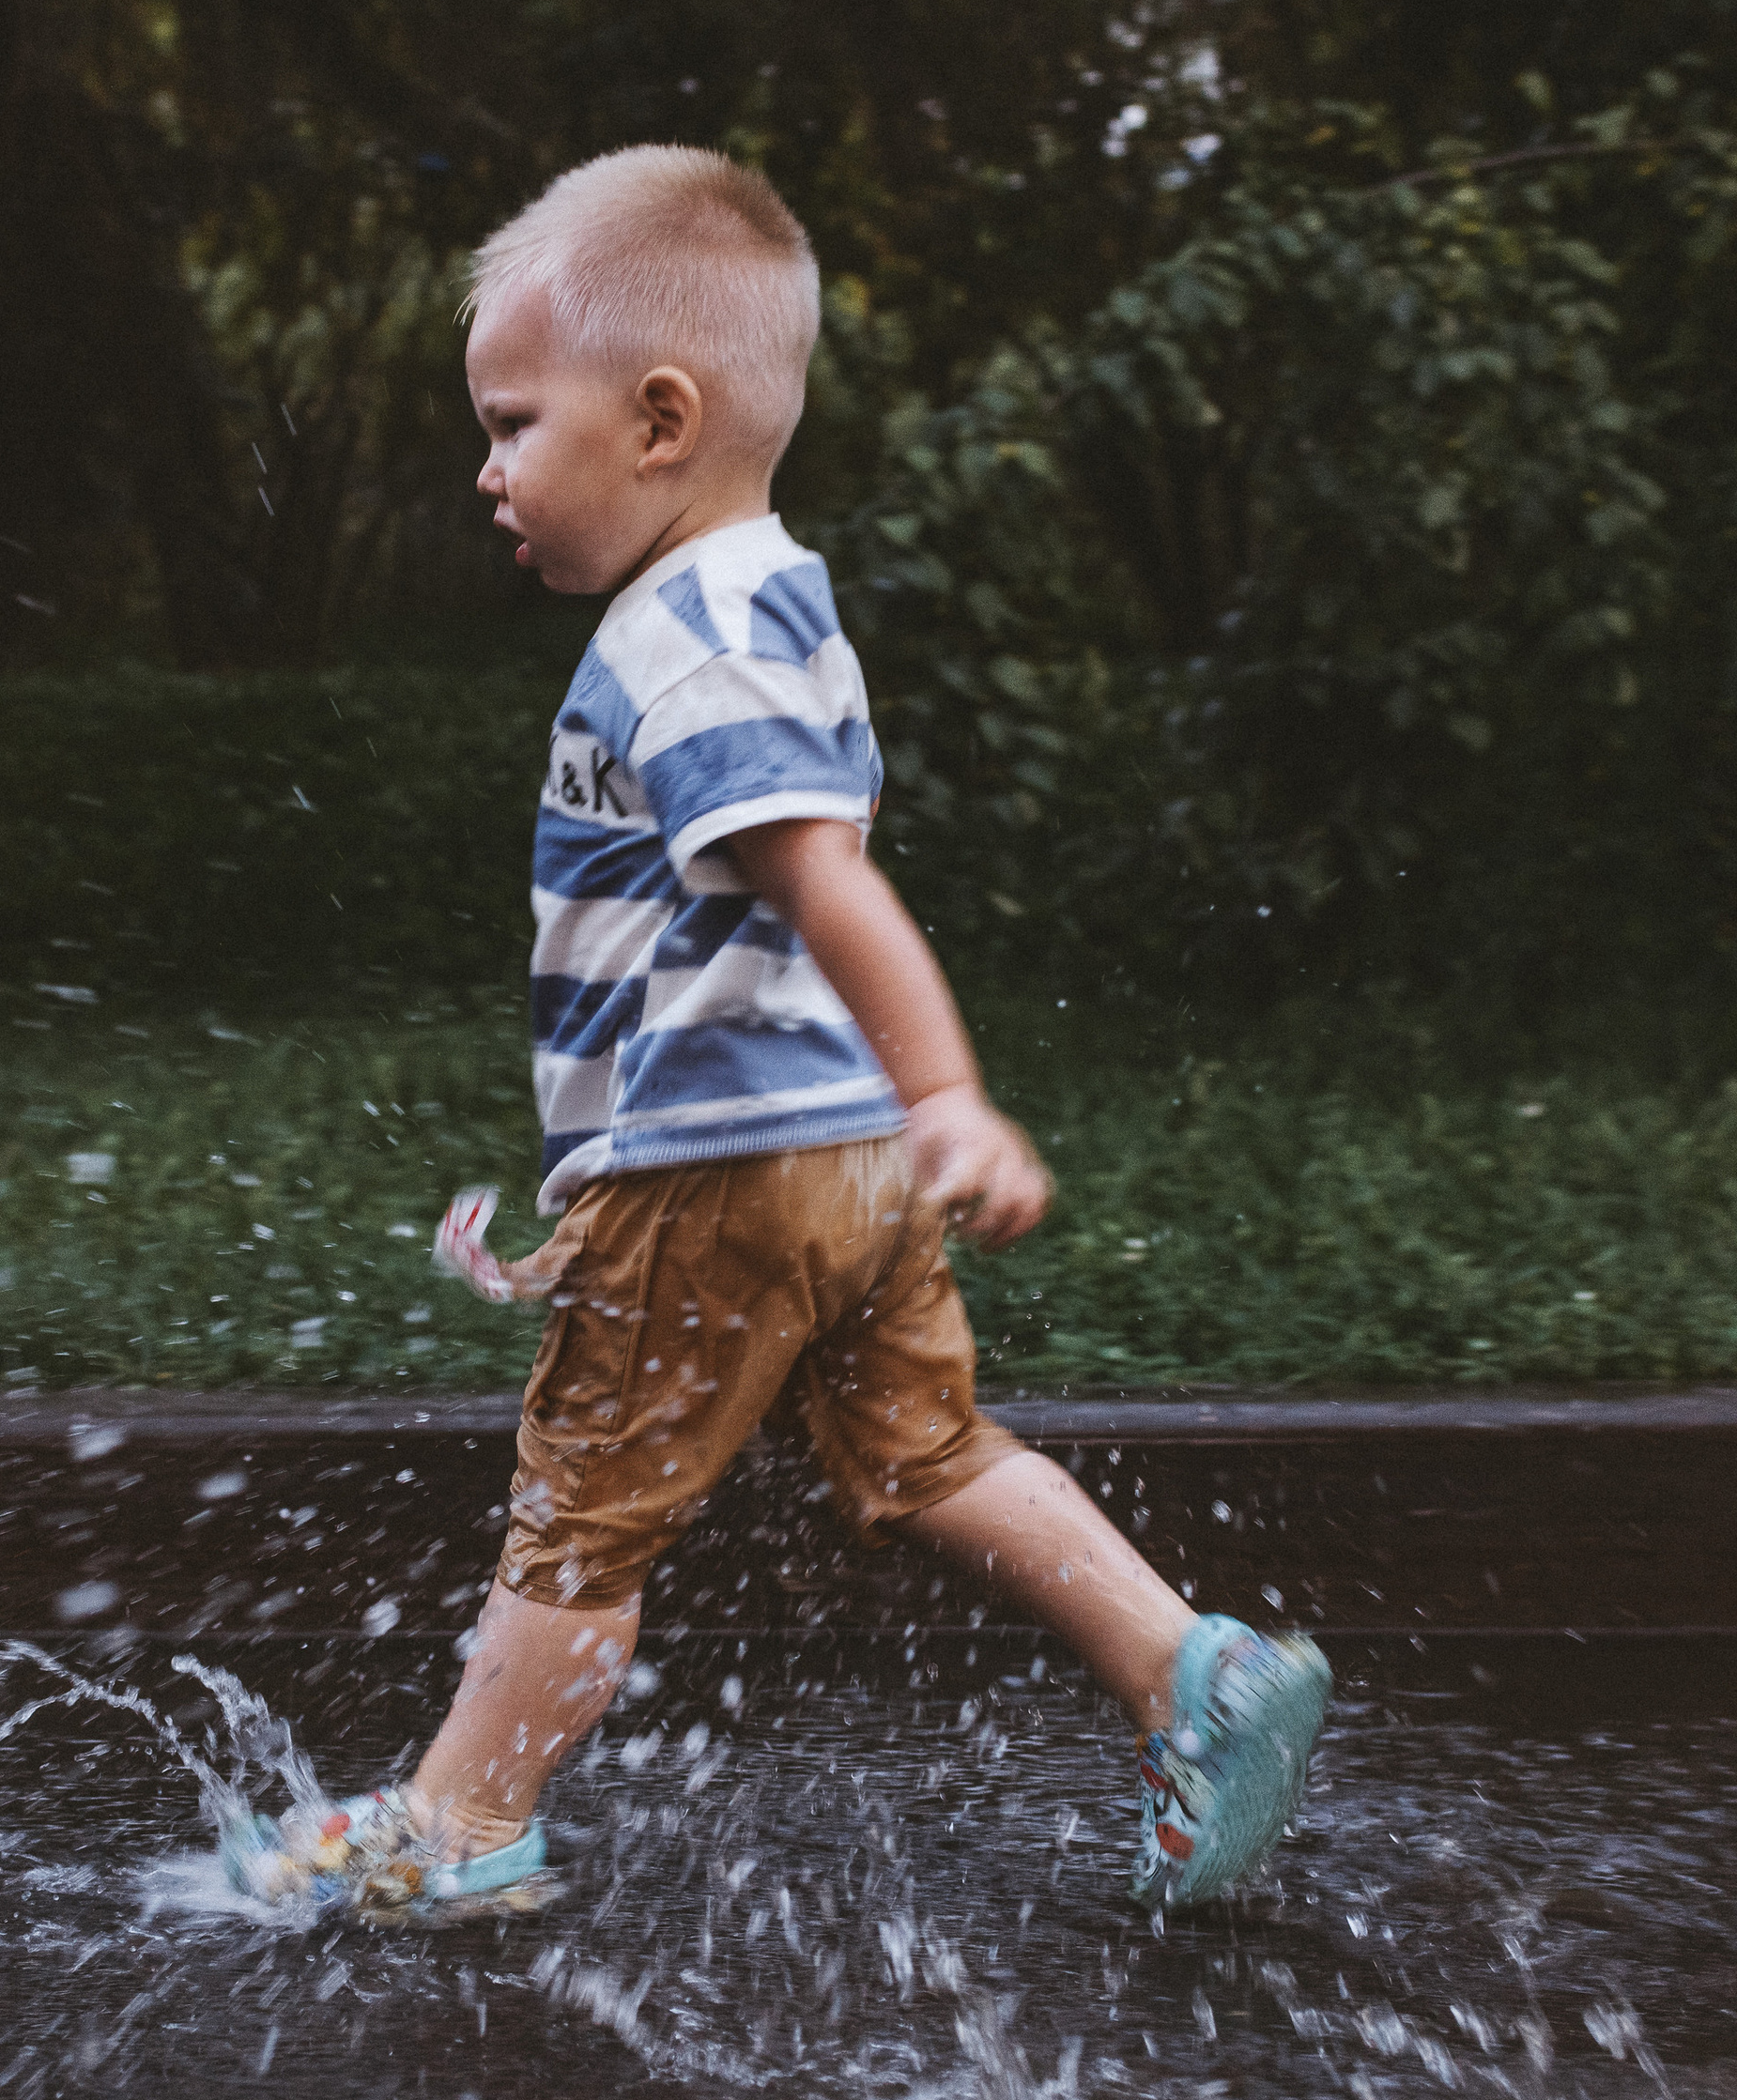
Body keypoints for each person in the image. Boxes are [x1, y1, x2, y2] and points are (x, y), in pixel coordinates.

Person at [223, 146, 1329, 1919]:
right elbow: (740, 918)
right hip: (840, 1166)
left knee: (581, 1512)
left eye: (513, 422)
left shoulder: (684, 633)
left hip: (726, 1160)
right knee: (938, 1457)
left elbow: (820, 880)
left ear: (660, 419)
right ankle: (1191, 1671)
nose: (485, 467)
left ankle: (466, 1820)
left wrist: (942, 1090)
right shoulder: (770, 601)